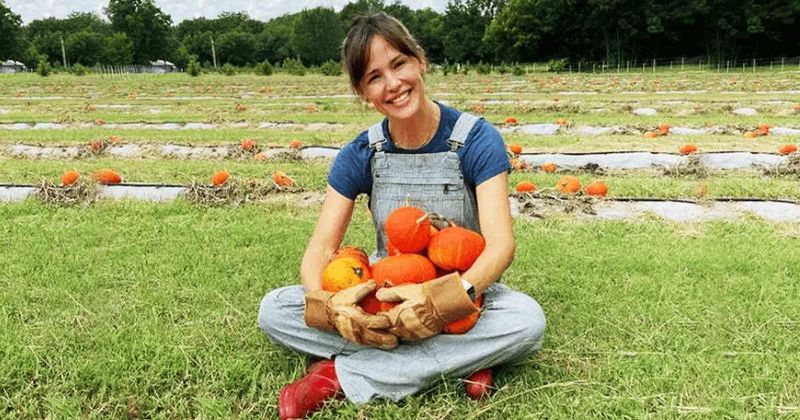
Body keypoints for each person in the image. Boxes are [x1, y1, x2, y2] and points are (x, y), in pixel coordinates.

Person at [258, 12, 546, 419]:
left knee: (526, 321)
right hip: (385, 296)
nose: (392, 84)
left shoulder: (476, 139)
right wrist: (332, 307)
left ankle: (339, 376)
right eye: (374, 77)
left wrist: (446, 302)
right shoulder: (361, 152)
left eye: (399, 64)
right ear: (362, 92)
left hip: (462, 293)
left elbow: (501, 246)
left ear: (420, 61)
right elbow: (321, 249)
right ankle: (462, 361)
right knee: (274, 310)